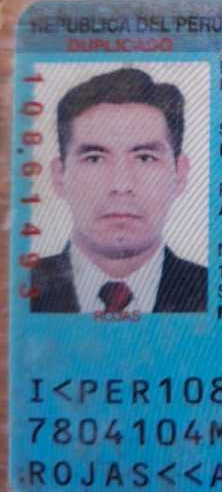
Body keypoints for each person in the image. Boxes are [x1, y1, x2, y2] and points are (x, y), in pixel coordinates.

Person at [30, 67, 207, 314]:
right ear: (60, 176)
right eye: (94, 158)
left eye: (145, 158)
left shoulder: (212, 291)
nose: (121, 186)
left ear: (180, 174)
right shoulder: (20, 290)